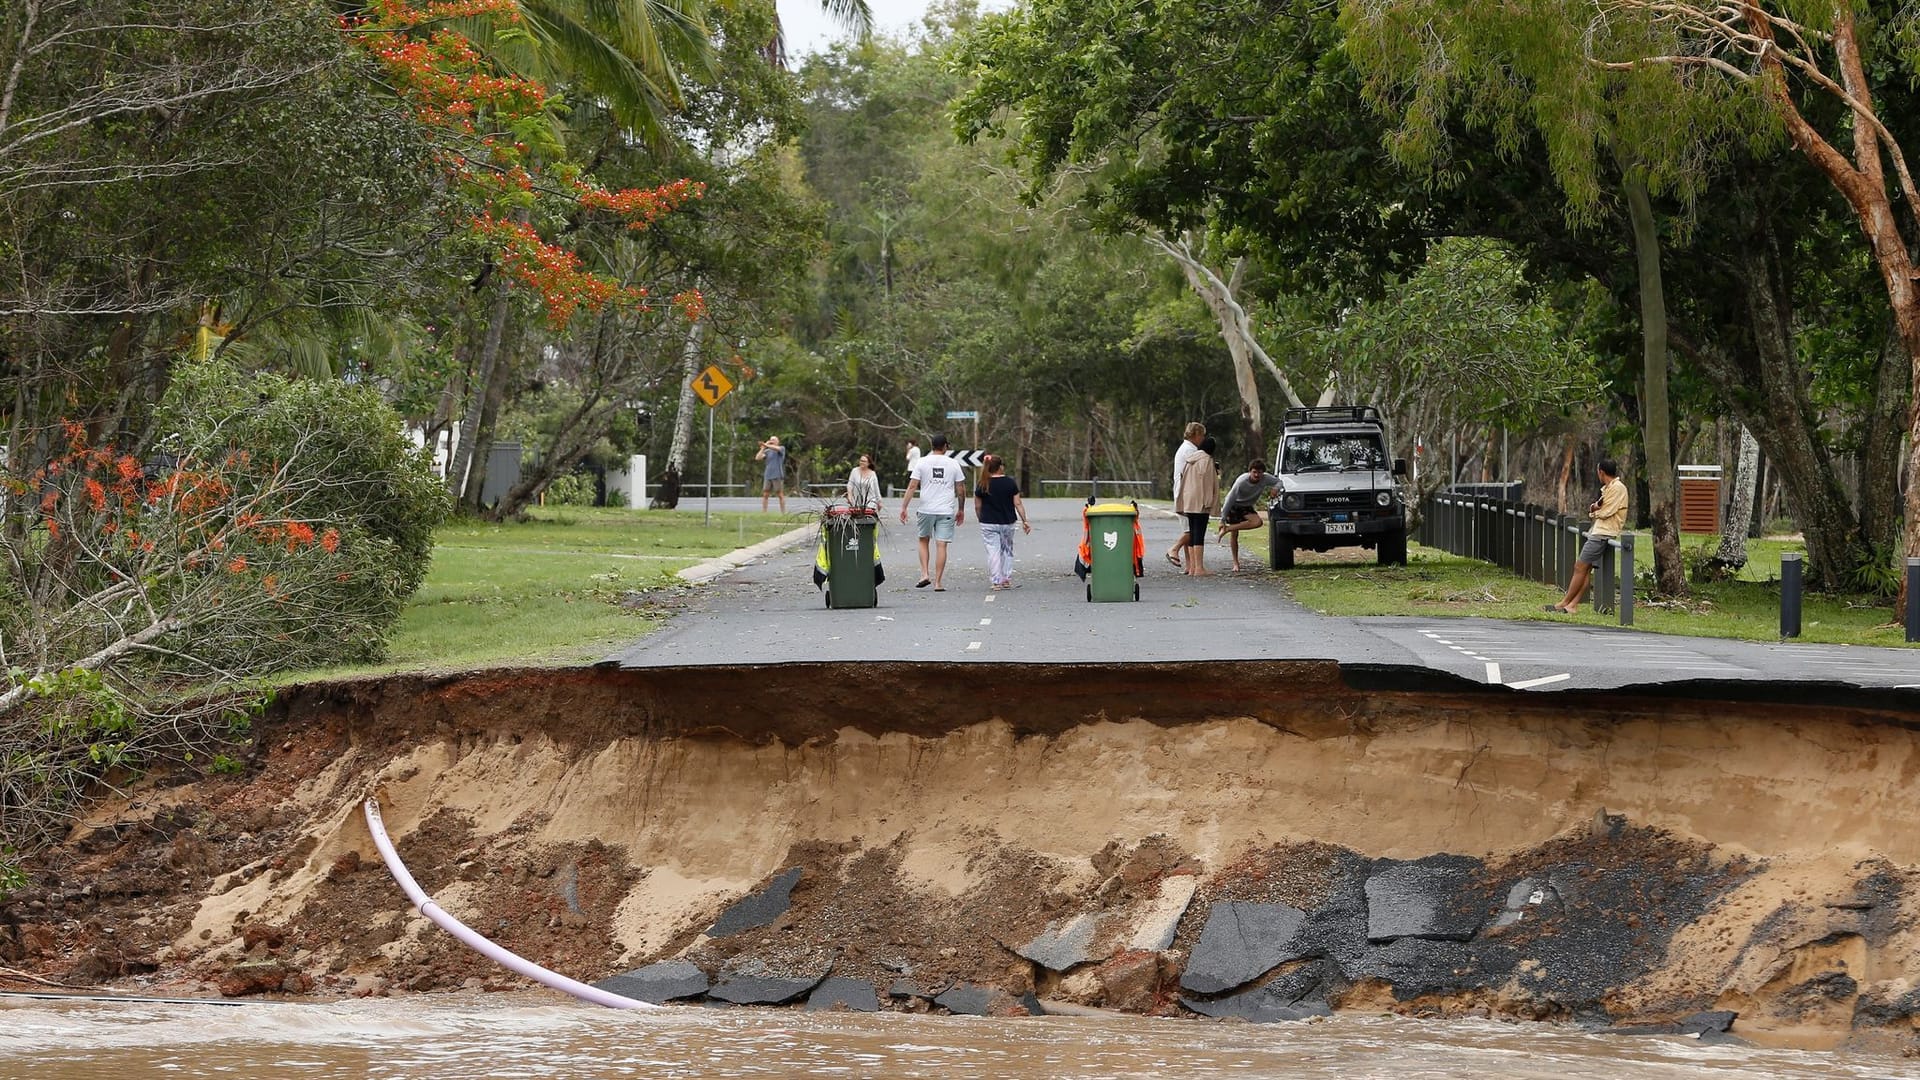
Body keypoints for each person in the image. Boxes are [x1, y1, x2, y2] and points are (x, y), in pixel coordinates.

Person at [1548, 458, 1629, 613]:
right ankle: (1572, 605)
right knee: (1585, 569)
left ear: (1601, 472)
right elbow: (1597, 506)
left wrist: (1593, 512)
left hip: (1603, 533)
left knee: (1579, 566)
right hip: (1599, 530)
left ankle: (1564, 602)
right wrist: (1594, 509)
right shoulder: (1608, 488)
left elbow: (1606, 511)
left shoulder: (1618, 488)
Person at [898, 433, 966, 591]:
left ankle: (924, 574)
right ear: (945, 447)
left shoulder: (922, 462)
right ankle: (938, 583)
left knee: (923, 540)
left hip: (926, 509)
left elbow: (913, 485)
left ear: (932, 446)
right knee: (941, 545)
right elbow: (961, 489)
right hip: (946, 509)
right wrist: (961, 509)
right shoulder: (953, 463)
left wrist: (904, 507)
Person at [974, 454, 1031, 590]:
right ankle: (1006, 578)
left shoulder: (982, 483)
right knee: (1007, 550)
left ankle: (996, 580)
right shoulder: (1010, 482)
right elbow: (1017, 503)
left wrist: (980, 518)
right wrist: (1025, 520)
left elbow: (977, 506)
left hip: (988, 522)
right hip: (1007, 522)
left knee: (993, 550)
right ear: (1000, 467)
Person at [1217, 460, 1281, 571]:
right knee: (1234, 535)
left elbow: (1279, 482)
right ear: (1250, 472)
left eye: (1260, 472)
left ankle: (1228, 529)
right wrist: (1222, 519)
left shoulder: (1265, 478)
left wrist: (1275, 488)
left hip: (1246, 506)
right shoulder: (1241, 481)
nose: (1257, 475)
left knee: (1258, 522)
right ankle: (1235, 563)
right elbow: (1229, 499)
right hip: (1234, 505)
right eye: (1254, 472)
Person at [1174, 436, 1219, 576]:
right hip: (1200, 501)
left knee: (1193, 532)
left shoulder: (1191, 459)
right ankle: (1199, 568)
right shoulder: (1206, 460)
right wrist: (1209, 502)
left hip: (1188, 500)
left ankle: (1193, 567)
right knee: (1199, 533)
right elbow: (1208, 483)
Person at [1167, 421, 1206, 568]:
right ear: (1195, 435)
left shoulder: (1186, 448)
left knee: (1187, 528)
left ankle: (1190, 565)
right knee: (1192, 530)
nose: (1203, 438)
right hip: (1186, 494)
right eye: (1202, 435)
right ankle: (1174, 549)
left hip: (1182, 492)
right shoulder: (1189, 451)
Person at [755, 435, 787, 513]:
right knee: (765, 494)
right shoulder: (767, 451)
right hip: (768, 475)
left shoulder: (781, 448)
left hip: (777, 474)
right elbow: (757, 458)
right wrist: (763, 448)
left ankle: (783, 512)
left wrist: (766, 445)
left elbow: (777, 448)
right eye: (771, 440)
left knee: (779, 494)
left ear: (777, 441)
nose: (772, 441)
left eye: (774, 440)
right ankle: (764, 512)